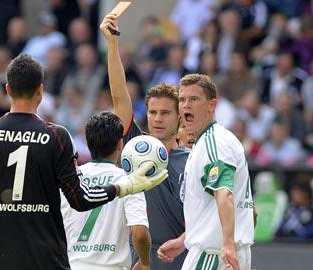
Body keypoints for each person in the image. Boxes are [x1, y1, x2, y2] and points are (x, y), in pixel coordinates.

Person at [0, 54, 168, 270]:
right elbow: (80, 199)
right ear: (40, 90)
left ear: (8, 89)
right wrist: (122, 187)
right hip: (46, 260)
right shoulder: (57, 137)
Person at [100, 14, 188, 270]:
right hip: (140, 260)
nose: (157, 119)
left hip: (181, 259)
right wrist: (113, 45)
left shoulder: (193, 160)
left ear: (180, 116)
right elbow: (119, 97)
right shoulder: (137, 147)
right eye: (152, 112)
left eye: (165, 113)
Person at [159, 74, 254, 270]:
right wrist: (185, 240)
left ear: (212, 105)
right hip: (221, 251)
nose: (186, 105)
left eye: (194, 99)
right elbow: (247, 210)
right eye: (182, 100)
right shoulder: (205, 143)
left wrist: (227, 243)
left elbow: (224, 194)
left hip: (213, 255)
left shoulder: (214, 143)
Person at [60, 111, 151, 270]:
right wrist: (144, 263)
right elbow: (140, 233)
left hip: (71, 265)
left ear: (88, 143)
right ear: (119, 145)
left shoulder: (70, 179)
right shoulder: (129, 181)